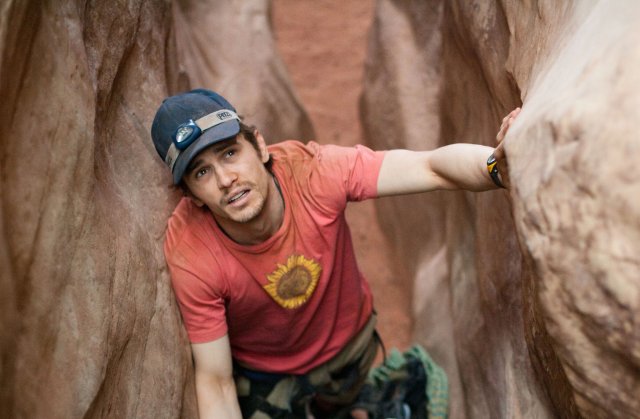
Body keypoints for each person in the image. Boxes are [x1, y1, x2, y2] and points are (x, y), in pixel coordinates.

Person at [150, 88, 520, 418]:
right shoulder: (192, 254)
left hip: (347, 347)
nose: (225, 179)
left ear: (260, 147)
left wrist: (495, 166)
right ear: (192, 197)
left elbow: (430, 167)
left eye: (230, 153)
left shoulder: (313, 174)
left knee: (347, 403)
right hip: (266, 375)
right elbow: (216, 383)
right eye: (201, 173)